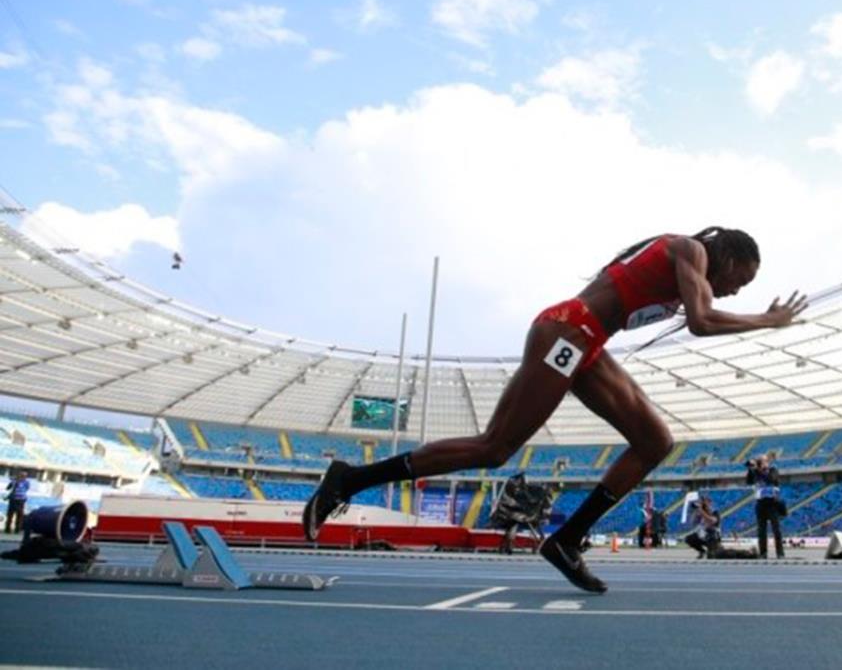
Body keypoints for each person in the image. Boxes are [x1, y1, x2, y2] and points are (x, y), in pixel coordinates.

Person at [302, 228, 806, 593]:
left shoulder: (686, 267)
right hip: (567, 332)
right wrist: (765, 320)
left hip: (587, 343)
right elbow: (701, 321)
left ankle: (567, 539)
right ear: (730, 256)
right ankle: (351, 479)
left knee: (655, 442)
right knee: (494, 449)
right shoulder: (691, 250)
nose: (742, 288)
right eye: (744, 277)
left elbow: (686, 308)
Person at [746, 454, 785, 559]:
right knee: (761, 530)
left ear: (767, 462)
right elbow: (749, 481)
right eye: (759, 461)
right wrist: (751, 469)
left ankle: (780, 553)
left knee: (776, 529)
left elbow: (771, 479)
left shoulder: (773, 470)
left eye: (762, 461)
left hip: (772, 502)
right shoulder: (756, 472)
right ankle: (763, 553)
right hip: (760, 503)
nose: (760, 463)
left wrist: (760, 470)